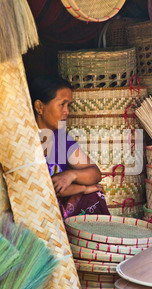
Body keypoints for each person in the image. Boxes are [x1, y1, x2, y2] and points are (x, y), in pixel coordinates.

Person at [28, 75, 110, 219]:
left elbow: (95, 173)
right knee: (88, 193)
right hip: (35, 210)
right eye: (62, 104)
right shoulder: (25, 140)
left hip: (59, 207)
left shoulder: (61, 138)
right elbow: (44, 188)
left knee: (94, 196)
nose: (67, 111)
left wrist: (71, 175)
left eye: (69, 105)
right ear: (40, 107)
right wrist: (83, 188)